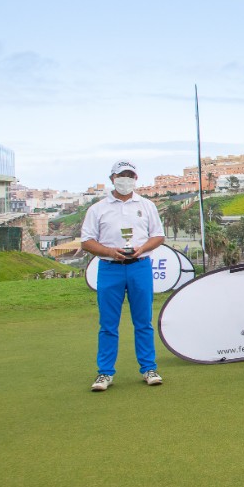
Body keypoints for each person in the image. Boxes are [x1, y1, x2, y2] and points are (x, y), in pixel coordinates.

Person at [81, 161, 166, 391]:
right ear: (112, 178)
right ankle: (105, 373)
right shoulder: (97, 208)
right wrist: (110, 251)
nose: (126, 180)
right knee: (108, 324)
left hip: (139, 266)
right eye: (121, 175)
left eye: (130, 175)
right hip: (110, 269)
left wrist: (142, 249)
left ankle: (149, 368)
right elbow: (87, 241)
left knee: (143, 321)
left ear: (136, 179)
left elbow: (158, 236)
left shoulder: (147, 205)